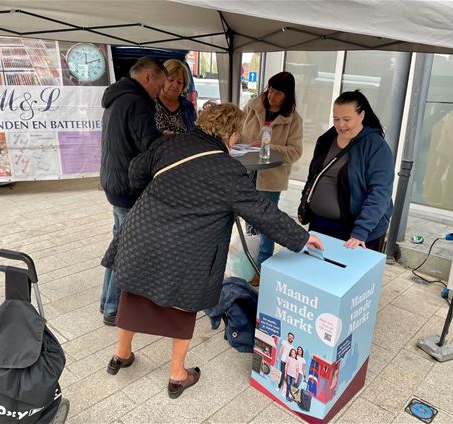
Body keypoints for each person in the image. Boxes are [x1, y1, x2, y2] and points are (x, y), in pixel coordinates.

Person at [101, 103, 323, 399]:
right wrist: (302, 238)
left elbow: (136, 172)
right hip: (185, 249)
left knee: (134, 294)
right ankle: (177, 375)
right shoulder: (229, 169)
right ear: (231, 134)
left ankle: (121, 355)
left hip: (142, 232)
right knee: (182, 307)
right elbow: (262, 212)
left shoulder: (170, 143)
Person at [99, 57, 167, 326]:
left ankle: (107, 301)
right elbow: (149, 149)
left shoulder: (117, 98)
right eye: (159, 86)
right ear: (149, 77)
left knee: (119, 244)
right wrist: (165, 143)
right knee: (128, 251)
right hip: (129, 187)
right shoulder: (137, 102)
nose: (158, 93)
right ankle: (114, 308)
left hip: (115, 183)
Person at [301, 90, 394, 252]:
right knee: (316, 273)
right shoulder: (326, 140)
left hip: (355, 232)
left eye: (346, 119)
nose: (340, 125)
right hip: (320, 224)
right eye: (336, 119)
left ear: (362, 116)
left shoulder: (376, 146)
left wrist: (361, 231)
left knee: (344, 275)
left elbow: (380, 192)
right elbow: (313, 176)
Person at [241, 71, 303, 267]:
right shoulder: (252, 107)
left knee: (267, 222)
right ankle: (248, 262)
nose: (272, 96)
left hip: (271, 177)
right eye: (271, 90)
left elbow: (295, 152)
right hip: (245, 171)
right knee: (249, 219)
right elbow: (237, 133)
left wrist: (267, 147)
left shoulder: (293, 119)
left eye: (278, 93)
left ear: (287, 96)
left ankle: (263, 265)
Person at [155, 59, 196, 134]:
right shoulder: (150, 104)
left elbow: (195, 132)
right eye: (171, 80)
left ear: (183, 86)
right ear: (162, 79)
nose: (175, 85)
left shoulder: (187, 106)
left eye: (179, 82)